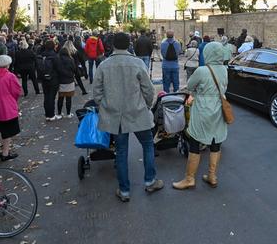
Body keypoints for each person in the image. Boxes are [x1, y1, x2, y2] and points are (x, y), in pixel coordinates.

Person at [93, 32, 163, 202]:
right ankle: (150, 181)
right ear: (129, 44)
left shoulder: (104, 65)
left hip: (115, 115)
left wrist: (107, 106)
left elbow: (97, 93)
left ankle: (124, 190)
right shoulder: (137, 63)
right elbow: (148, 89)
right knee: (147, 145)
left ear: (112, 45)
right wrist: (146, 105)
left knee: (121, 152)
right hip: (137, 112)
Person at [173, 42, 228, 190]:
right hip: (218, 108)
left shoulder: (202, 70)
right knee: (216, 141)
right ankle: (212, 175)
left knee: (195, 141)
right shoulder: (224, 69)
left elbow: (190, 86)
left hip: (203, 108)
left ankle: (190, 178)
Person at [0, 56, 22, 161]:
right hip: (7, 106)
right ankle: (5, 153)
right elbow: (16, 91)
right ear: (7, 64)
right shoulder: (10, 76)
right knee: (8, 131)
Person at [39, 40, 62, 121]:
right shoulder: (55, 56)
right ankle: (51, 114)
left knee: (46, 96)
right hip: (53, 79)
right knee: (51, 97)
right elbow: (59, 68)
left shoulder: (42, 55)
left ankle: (47, 114)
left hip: (44, 79)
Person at [57, 42, 78, 118]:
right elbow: (74, 69)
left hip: (61, 81)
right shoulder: (71, 60)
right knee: (69, 98)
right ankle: (68, 113)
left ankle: (59, 113)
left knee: (60, 98)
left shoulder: (58, 60)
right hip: (69, 80)